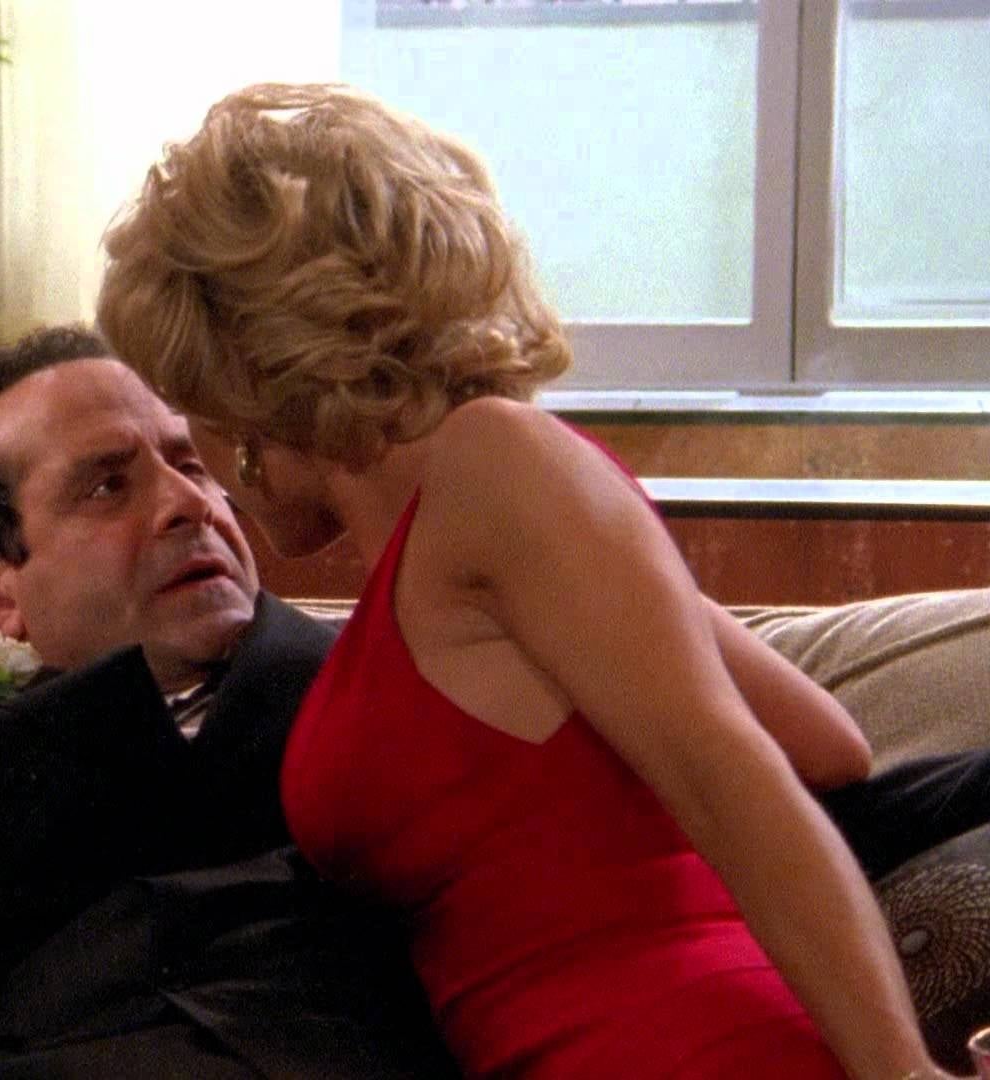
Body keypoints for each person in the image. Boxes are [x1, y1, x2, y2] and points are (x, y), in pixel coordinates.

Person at [0, 326, 987, 1080]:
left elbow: (753, 810)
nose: (189, 503)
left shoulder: (400, 696)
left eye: (193, 460)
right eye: (109, 485)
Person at [96, 82, 961, 1079]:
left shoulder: (495, 466)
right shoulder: (470, 542)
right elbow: (824, 742)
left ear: (243, 395)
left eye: (189, 407)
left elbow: (736, 773)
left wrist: (901, 1072)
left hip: (679, 1043)